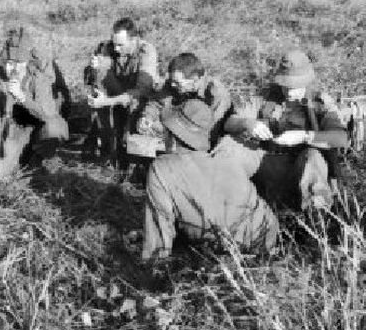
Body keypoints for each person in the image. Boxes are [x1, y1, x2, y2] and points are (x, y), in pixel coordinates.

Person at [142, 99, 278, 261]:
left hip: (222, 246)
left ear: (172, 136)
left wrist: (153, 270)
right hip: (264, 235)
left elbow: (158, 235)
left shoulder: (161, 168)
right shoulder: (228, 157)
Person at [224, 49, 348, 210]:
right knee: (228, 146)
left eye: (294, 86)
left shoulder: (320, 102)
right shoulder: (266, 97)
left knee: (313, 157)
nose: (289, 91)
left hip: (303, 166)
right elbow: (229, 122)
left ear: (306, 82)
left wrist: (304, 136)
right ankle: (230, 206)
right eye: (285, 85)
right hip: (269, 162)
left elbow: (341, 138)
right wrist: (248, 124)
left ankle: (315, 219)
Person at [0, 27, 70, 179]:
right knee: (2, 173)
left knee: (53, 128)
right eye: (8, 63)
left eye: (16, 64)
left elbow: (46, 114)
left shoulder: (38, 79)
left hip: (41, 124)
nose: (11, 69)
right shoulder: (0, 79)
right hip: (19, 126)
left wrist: (22, 97)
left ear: (26, 63)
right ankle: (24, 153)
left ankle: (43, 157)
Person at [84, 17, 158, 167]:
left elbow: (141, 90)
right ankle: (105, 141)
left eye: (120, 45)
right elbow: (94, 81)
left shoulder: (146, 51)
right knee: (99, 79)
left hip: (135, 98)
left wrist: (107, 101)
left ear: (134, 40)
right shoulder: (107, 47)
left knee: (135, 116)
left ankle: (133, 156)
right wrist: (94, 68)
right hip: (116, 94)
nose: (116, 49)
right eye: (114, 43)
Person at [136, 53, 233, 147]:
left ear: (194, 80)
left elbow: (212, 130)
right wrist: (147, 117)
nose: (173, 85)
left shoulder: (216, 94)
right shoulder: (173, 84)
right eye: (172, 81)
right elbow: (157, 102)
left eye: (177, 82)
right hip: (177, 134)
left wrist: (169, 132)